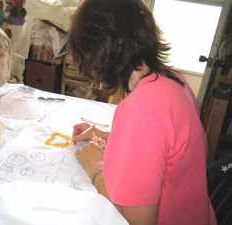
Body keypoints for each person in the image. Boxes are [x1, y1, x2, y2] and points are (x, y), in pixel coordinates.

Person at [69, 0, 217, 225]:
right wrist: (107, 135)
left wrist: (93, 170)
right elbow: (162, 147)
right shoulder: (173, 79)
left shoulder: (142, 109)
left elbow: (136, 221)